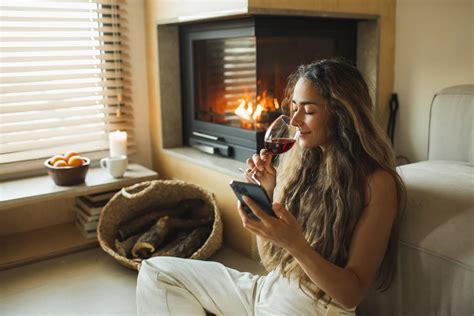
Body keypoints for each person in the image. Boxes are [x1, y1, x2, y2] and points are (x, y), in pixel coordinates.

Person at [136, 59, 405, 315]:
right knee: (156, 272)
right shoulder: (305, 163)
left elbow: (352, 294)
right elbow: (270, 260)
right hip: (265, 290)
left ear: (342, 115)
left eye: (309, 111)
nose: (296, 121)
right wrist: (265, 196)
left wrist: (296, 245)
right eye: (294, 108)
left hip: (308, 309)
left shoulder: (377, 183)